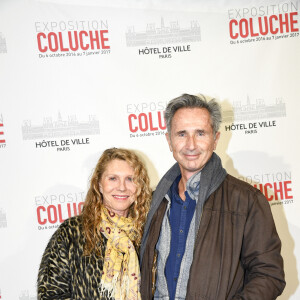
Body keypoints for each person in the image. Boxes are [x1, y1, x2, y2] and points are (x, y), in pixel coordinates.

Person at [140, 94, 285, 299]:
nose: (191, 145)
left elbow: (269, 275)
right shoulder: (156, 202)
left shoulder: (247, 200)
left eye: (200, 133)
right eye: (181, 134)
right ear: (169, 140)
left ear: (215, 139)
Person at [38, 148, 152, 300]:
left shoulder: (149, 233)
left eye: (130, 179)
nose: (122, 187)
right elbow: (50, 295)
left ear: (139, 186)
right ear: (99, 184)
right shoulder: (72, 233)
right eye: (113, 178)